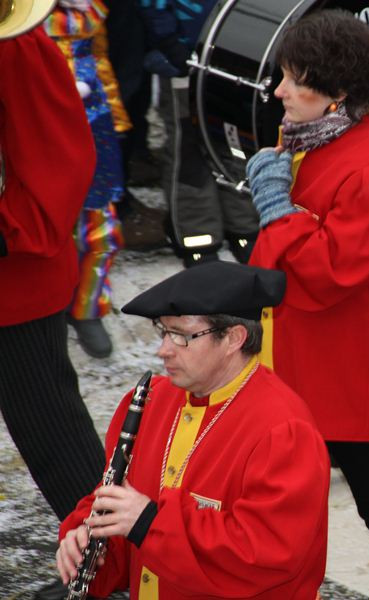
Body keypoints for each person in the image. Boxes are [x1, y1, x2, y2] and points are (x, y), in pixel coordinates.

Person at [245, 11, 369, 599]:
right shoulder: (313, 135)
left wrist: (276, 209)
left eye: (292, 79)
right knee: (280, 507)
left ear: (338, 93)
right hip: (304, 354)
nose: (277, 91)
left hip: (354, 367)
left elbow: (329, 271)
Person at [55, 261, 330, 598]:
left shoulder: (283, 430)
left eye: (181, 335)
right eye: (163, 331)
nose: (163, 349)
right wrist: (85, 537)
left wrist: (148, 524)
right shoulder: (150, 402)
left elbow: (266, 554)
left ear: (233, 338)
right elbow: (116, 501)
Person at [0, 20, 108, 600]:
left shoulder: (16, 45)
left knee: (53, 437)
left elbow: (58, 166)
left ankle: (110, 570)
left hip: (13, 281)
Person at [139, 0, 259, 266]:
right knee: (188, 151)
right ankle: (198, 237)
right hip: (184, 55)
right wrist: (168, 41)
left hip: (236, 54)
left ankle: (244, 228)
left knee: (234, 142)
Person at [45, 0, 131, 358]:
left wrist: (115, 116)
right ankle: (47, 310)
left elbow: (100, 61)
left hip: (94, 127)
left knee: (100, 225)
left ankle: (88, 308)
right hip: (41, 126)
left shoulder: (91, 10)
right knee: (48, 227)